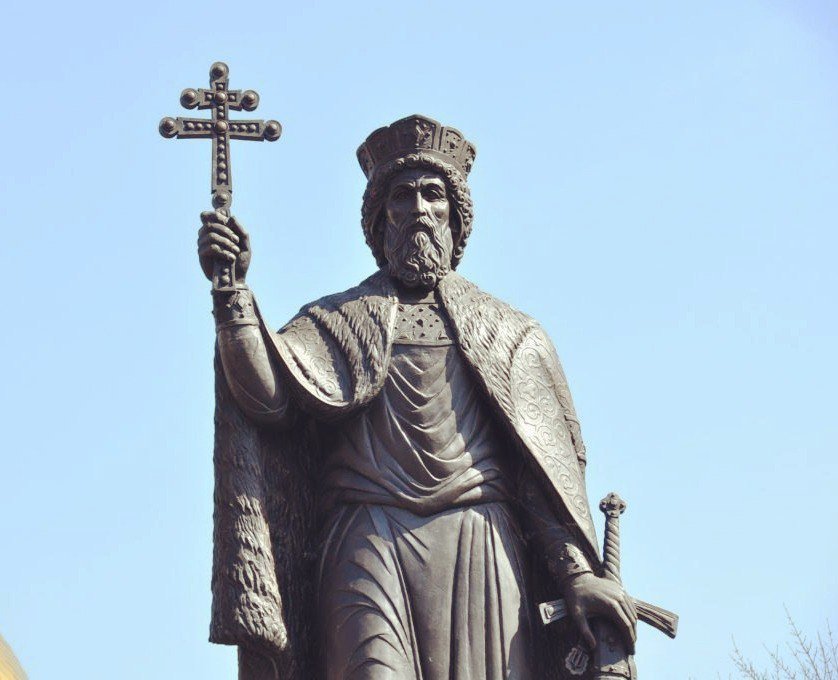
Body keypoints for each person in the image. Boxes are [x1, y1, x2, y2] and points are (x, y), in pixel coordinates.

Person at [199, 115, 637, 680]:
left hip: (480, 545)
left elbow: (539, 474)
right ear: (380, 219)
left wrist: (576, 572)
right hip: (368, 544)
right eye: (401, 197)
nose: (419, 210)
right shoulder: (335, 322)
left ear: (456, 216)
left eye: (433, 195)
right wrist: (231, 296)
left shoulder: (509, 334)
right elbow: (268, 401)